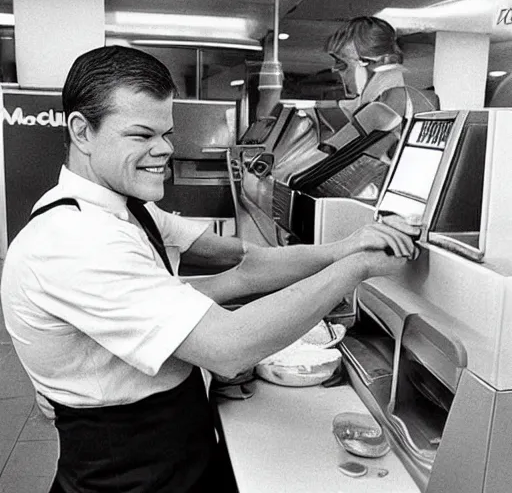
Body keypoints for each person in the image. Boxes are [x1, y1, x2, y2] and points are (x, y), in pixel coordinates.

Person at [0, 45, 420, 493]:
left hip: (176, 442)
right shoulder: (75, 239)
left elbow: (246, 261)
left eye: (166, 132)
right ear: (82, 131)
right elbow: (229, 347)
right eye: (142, 135)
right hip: (126, 472)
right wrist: (356, 268)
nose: (164, 149)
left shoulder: (126, 210)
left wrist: (346, 245)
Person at [325, 15, 439, 115]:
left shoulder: (388, 90)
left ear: (365, 62)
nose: (336, 70)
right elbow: (356, 104)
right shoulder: (375, 80)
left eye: (342, 64)